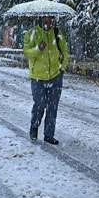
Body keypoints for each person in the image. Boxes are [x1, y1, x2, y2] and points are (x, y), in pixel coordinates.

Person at [22, 14, 67, 144]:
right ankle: (34, 126)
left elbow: (64, 51)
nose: (49, 20)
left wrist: (62, 69)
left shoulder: (57, 33)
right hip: (38, 77)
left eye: (52, 18)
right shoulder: (32, 33)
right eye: (46, 18)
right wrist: (38, 48)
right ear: (41, 18)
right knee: (40, 105)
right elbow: (27, 53)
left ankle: (49, 134)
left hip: (55, 76)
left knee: (53, 107)